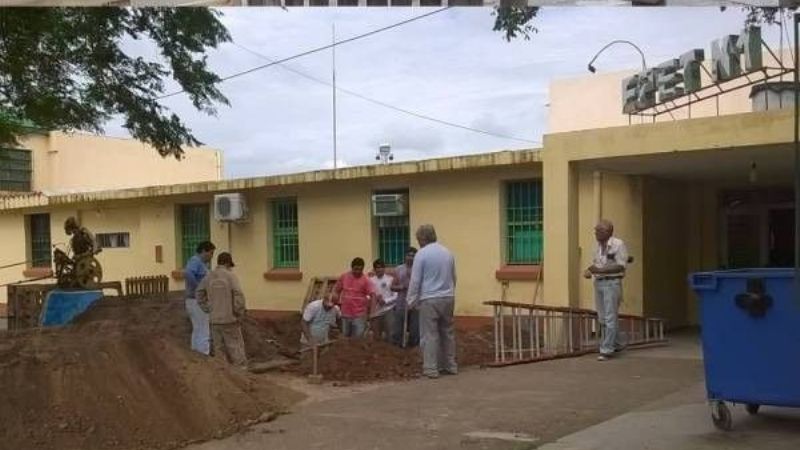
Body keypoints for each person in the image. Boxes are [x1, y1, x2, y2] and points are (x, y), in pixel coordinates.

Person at [407, 224, 457, 379]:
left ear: (422, 238)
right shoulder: (447, 252)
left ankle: (430, 368)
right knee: (447, 333)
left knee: (430, 334)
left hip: (429, 298)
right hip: (448, 297)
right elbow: (454, 276)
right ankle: (450, 365)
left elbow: (415, 280)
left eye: (418, 239)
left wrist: (411, 300)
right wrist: (450, 291)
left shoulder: (421, 254)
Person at [583, 219, 629, 362]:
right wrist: (590, 270)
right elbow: (596, 264)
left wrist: (600, 270)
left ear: (608, 232)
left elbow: (621, 266)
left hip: (612, 283)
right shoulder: (596, 246)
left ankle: (606, 349)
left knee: (610, 317)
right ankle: (617, 343)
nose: (596, 233)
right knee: (602, 317)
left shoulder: (618, 244)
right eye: (595, 231)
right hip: (599, 283)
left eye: (599, 231)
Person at [197, 252, 248, 367]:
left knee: (219, 349)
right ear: (227, 263)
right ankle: (242, 376)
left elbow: (199, 293)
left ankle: (223, 377)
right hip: (230, 320)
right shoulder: (231, 276)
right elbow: (238, 295)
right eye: (230, 265)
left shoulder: (208, 276)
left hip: (214, 320)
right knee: (235, 347)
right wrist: (238, 312)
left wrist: (207, 308)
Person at [184, 241, 216, 355]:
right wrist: (199, 288)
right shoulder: (195, 261)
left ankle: (196, 354)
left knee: (198, 328)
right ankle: (204, 355)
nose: (212, 256)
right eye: (211, 253)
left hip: (195, 300)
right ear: (203, 251)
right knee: (203, 329)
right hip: (196, 301)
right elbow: (188, 273)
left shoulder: (202, 264)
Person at [333, 257, 378, 338]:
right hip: (345, 313)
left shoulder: (366, 280)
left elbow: (373, 295)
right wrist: (335, 298)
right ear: (352, 267)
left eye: (360, 270)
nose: (358, 272)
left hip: (359, 315)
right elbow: (336, 290)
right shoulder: (344, 277)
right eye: (356, 269)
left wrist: (372, 312)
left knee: (357, 338)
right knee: (345, 336)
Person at [390, 247, 419, 347]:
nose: (410, 258)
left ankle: (413, 348)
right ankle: (398, 348)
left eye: (413, 256)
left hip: (415, 303)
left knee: (415, 329)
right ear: (405, 256)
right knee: (398, 328)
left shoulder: (419, 269)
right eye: (408, 255)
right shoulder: (399, 269)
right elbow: (392, 287)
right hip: (401, 302)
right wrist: (401, 287)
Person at [368, 259, 396, 342]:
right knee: (376, 336)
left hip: (388, 310)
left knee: (390, 334)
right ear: (374, 269)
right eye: (377, 267)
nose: (379, 269)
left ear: (384, 268)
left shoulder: (390, 279)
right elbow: (367, 295)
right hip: (375, 311)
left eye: (381, 267)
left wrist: (385, 301)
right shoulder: (370, 280)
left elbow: (396, 296)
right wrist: (374, 299)